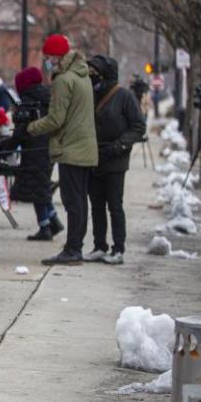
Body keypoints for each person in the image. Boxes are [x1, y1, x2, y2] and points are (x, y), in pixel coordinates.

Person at [27, 34, 98, 265]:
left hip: (71, 148)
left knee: (72, 201)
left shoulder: (63, 80)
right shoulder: (82, 75)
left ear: (57, 56)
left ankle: (73, 249)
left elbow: (56, 119)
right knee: (79, 200)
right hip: (84, 147)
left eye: (48, 57)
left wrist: (31, 127)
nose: (47, 62)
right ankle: (74, 246)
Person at [85, 55, 146, 265]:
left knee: (114, 205)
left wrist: (120, 145)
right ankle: (99, 245)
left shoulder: (124, 96)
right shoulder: (91, 94)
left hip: (115, 158)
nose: (91, 75)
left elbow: (138, 126)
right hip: (94, 156)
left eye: (95, 71)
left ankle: (118, 248)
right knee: (96, 205)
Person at [5, 66, 63, 241]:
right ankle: (53, 220)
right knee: (42, 187)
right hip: (48, 148)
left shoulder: (29, 102)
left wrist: (7, 145)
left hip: (34, 151)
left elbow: (23, 131)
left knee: (37, 190)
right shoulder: (46, 97)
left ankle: (45, 226)